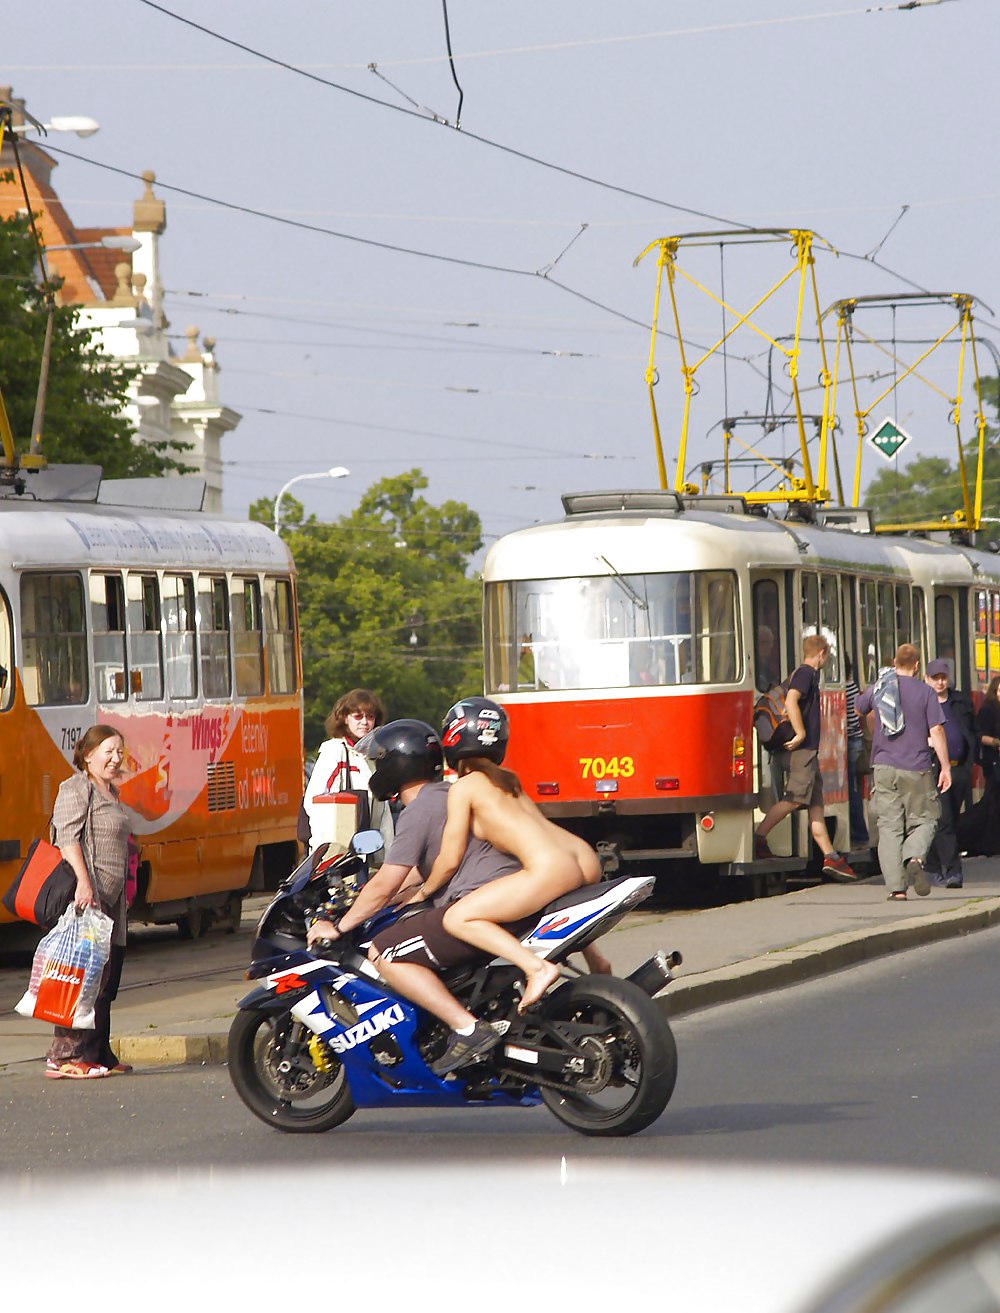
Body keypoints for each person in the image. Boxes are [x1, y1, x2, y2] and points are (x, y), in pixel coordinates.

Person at [414, 697, 603, 1026]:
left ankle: (537, 968)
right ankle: (600, 966)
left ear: (453, 740)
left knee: (458, 919)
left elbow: (449, 859)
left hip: (549, 868)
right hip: (582, 856)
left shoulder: (464, 787)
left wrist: (421, 892)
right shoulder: (508, 779)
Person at [46, 725, 136, 1080]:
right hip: (88, 896)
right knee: (80, 977)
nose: (115, 759)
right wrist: (84, 883)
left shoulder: (109, 791)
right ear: (87, 755)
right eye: (108, 752)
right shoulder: (76, 788)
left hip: (112, 900)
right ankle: (64, 1055)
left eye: (119, 752)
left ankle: (99, 1051)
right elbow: (66, 838)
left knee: (106, 976)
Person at [754, 634, 857, 881]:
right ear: (821, 653)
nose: (827, 659)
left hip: (809, 752)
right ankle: (759, 839)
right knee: (795, 799)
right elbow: (791, 701)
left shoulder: (807, 674)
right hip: (803, 751)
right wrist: (800, 732)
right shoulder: (806, 673)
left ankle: (831, 857)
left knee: (816, 807)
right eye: (827, 655)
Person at [856, 644, 950, 901]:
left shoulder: (880, 687)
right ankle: (915, 857)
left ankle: (896, 889)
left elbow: (859, 708)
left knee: (888, 826)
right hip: (916, 767)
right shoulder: (925, 692)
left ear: (894, 661)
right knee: (926, 819)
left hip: (883, 766)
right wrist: (945, 766)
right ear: (917, 666)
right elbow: (937, 732)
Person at [300, 688, 394, 856]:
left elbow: (383, 813)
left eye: (370, 717)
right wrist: (325, 854)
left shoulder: (373, 757)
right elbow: (316, 803)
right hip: (338, 857)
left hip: (370, 853)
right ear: (344, 718)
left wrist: (387, 854)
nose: (364, 722)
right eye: (358, 716)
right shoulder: (334, 751)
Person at [923, 658, 975, 889]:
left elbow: (972, 729)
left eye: (943, 677)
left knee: (950, 818)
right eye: (935, 678)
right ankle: (953, 872)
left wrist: (972, 759)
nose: (940, 682)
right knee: (944, 820)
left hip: (960, 768)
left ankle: (932, 866)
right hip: (935, 768)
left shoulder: (960, 701)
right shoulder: (923, 702)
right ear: (927, 679)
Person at [960, 675, 1000, 856]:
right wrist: (997, 742)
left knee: (992, 802)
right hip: (994, 761)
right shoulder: (988, 710)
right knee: (992, 801)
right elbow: (980, 736)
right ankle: (973, 837)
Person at [844, 655, 870, 848]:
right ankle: (859, 833)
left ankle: (859, 833)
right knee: (852, 789)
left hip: (850, 741)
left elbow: (851, 719)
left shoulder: (846, 688)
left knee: (851, 790)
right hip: (855, 740)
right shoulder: (852, 686)